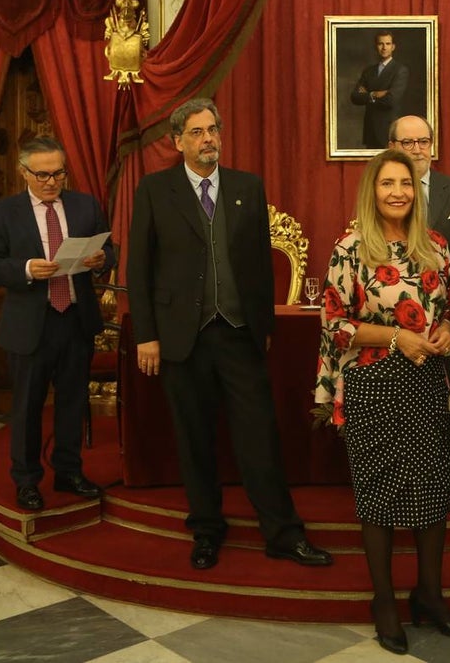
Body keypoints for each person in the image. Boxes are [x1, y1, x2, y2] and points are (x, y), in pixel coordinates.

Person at [127, 98, 332, 571]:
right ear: (178, 141)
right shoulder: (155, 191)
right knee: (195, 439)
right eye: (197, 132)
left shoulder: (247, 187)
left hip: (239, 335)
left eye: (213, 129)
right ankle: (206, 529)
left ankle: (282, 532)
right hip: (182, 338)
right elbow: (139, 268)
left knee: (259, 436)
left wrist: (261, 326)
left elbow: (259, 265)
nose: (208, 139)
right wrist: (147, 335)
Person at [314, 149, 450, 655]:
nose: (398, 191)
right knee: (380, 498)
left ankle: (429, 594)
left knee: (432, 493)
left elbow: (449, 303)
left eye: (405, 181)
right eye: (387, 183)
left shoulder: (436, 245)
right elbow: (334, 323)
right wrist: (394, 338)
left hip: (427, 383)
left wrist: (445, 330)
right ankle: (384, 601)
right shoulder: (351, 247)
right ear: (372, 190)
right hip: (373, 383)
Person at [0, 137, 114, 512]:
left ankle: (69, 472)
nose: (52, 182)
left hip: (75, 319)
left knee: (73, 401)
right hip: (30, 324)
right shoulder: (2, 213)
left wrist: (101, 259)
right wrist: (25, 269)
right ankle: (26, 481)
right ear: (24, 173)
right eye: (42, 175)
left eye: (58, 173)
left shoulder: (85, 205)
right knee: (26, 407)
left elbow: (111, 250)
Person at [388, 115, 450, 388]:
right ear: (392, 147)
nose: (417, 149)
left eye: (423, 141)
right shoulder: (382, 194)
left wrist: (436, 290)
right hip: (395, 319)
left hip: (446, 321)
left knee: (445, 404)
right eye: (408, 142)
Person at [350, 31, 409, 148]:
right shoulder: (368, 71)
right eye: (380, 44)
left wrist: (367, 95)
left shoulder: (400, 70)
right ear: (376, 46)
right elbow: (355, 97)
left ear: (393, 47)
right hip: (370, 129)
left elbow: (390, 100)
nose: (384, 47)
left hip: (388, 129)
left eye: (387, 44)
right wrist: (375, 94)